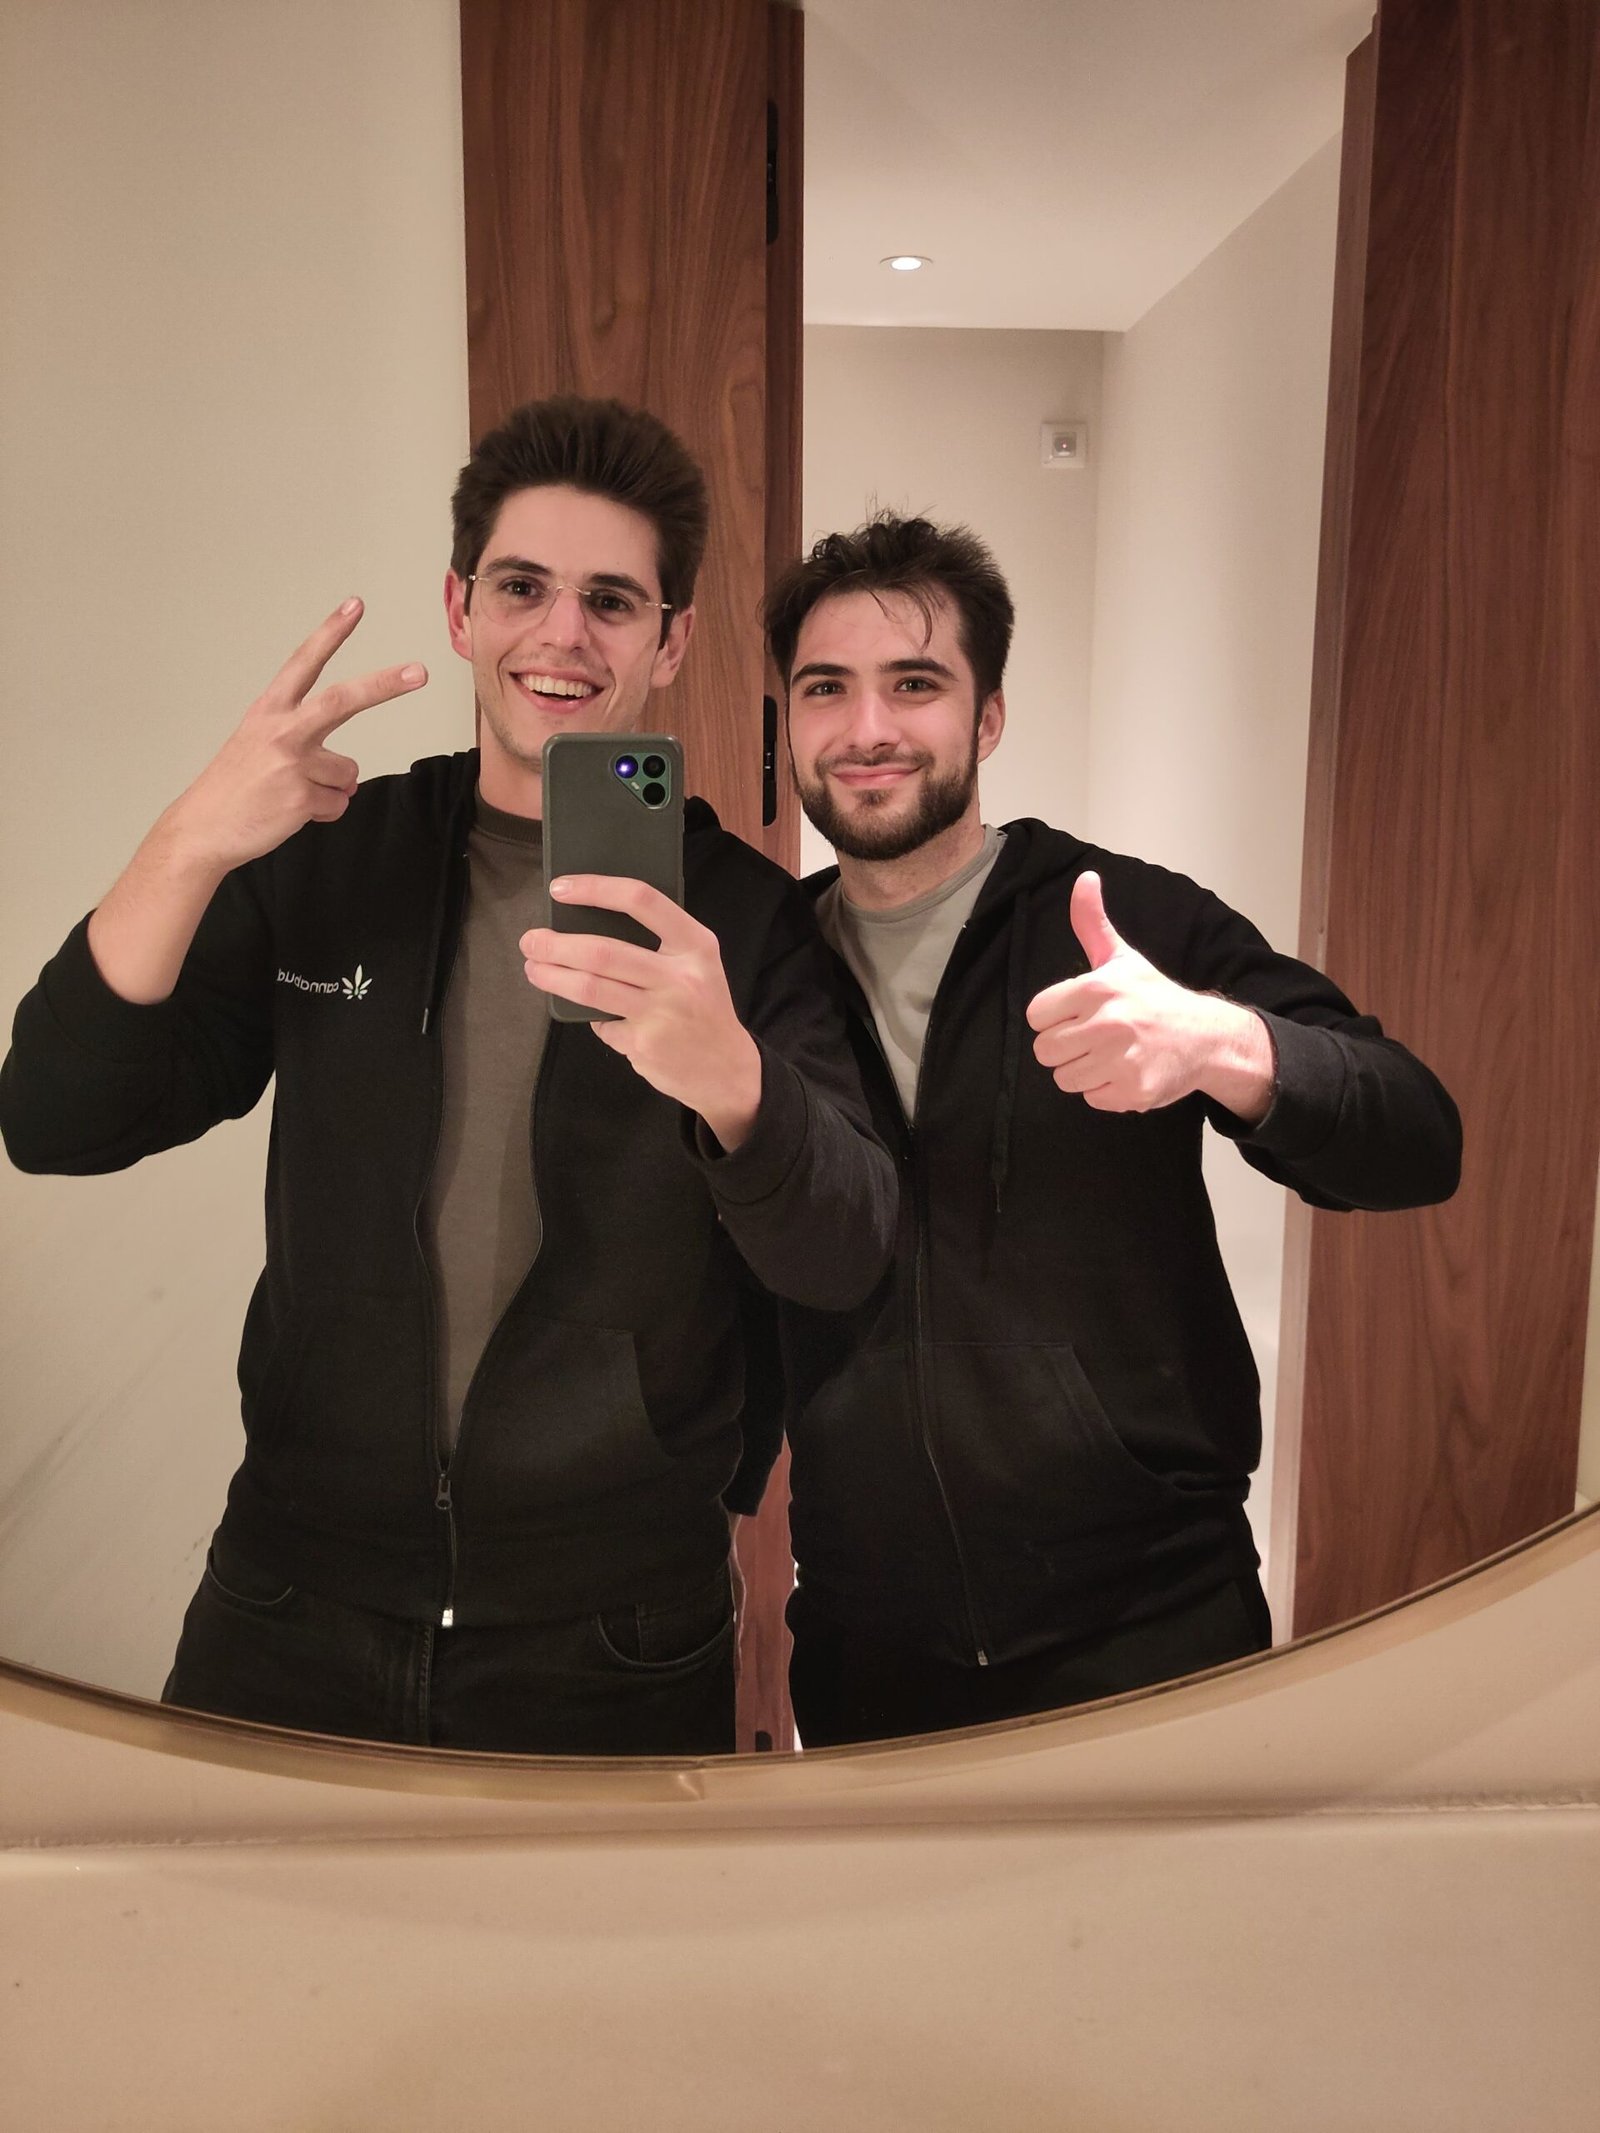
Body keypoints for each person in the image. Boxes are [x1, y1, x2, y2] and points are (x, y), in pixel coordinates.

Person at [0, 397, 894, 1756]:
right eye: (522, 587)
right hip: (291, 1591)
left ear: (670, 641)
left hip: (616, 1632)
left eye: (612, 601)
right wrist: (189, 842)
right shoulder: (331, 859)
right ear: (461, 609)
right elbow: (57, 1118)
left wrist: (734, 1084)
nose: (562, 634)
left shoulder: (748, 922)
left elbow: (844, 1257)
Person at [758, 512, 1462, 1748]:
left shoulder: (1125, 920)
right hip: (869, 1646)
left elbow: (1417, 1137)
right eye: (826, 688)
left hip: (1151, 1629)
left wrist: (1219, 1045)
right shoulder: (766, 966)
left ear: (986, 718)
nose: (866, 728)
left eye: (913, 684)